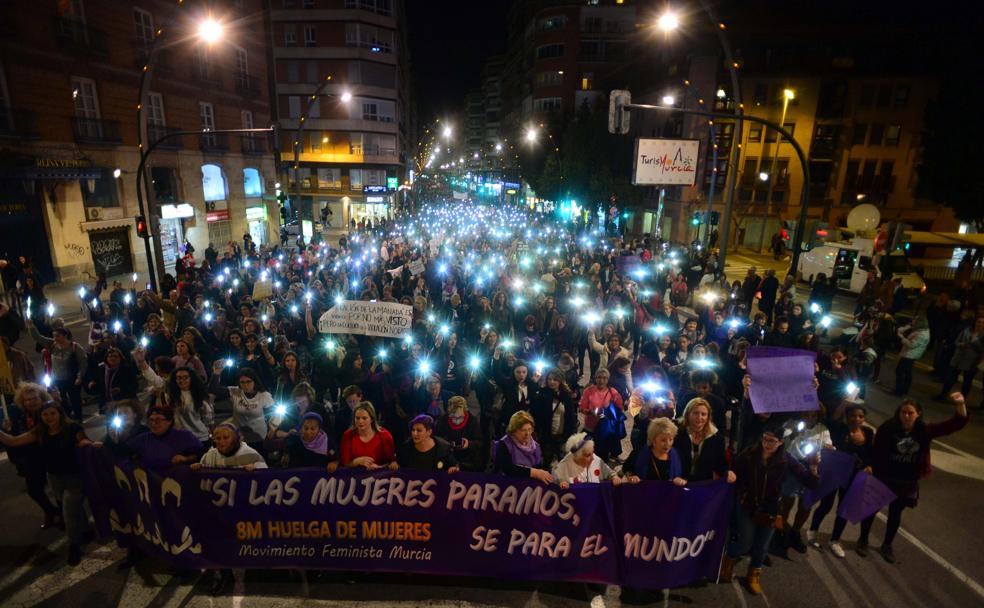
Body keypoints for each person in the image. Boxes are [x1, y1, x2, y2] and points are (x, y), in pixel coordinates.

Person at [719, 423, 819, 595]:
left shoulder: (786, 460)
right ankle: (728, 562)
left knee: (762, 545)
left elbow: (810, 482)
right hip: (747, 505)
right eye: (765, 438)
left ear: (780, 442)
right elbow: (733, 470)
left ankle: (754, 575)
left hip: (771, 509)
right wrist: (731, 475)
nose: (767, 443)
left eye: (772, 441)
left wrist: (813, 467)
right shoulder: (749, 454)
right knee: (745, 542)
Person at [868, 393, 969, 563]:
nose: (906, 416)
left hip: (907, 480)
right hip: (886, 477)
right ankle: (863, 540)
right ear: (898, 413)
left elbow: (955, 424)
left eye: (910, 413)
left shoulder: (924, 430)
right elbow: (876, 452)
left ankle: (887, 545)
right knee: (871, 509)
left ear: (918, 414)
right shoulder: (888, 428)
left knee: (895, 513)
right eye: (903, 412)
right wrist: (873, 470)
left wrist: (960, 404)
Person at [0, 400, 94, 565]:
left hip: (74, 478)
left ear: (60, 413)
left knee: (67, 512)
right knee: (73, 508)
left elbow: (84, 442)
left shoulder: (72, 428)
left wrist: (86, 444)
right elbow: (13, 441)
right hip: (54, 478)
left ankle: (73, 547)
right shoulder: (40, 432)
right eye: (45, 414)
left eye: (53, 413)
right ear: (41, 416)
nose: (49, 417)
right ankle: (86, 531)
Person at [806, 403, 874, 557]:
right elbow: (830, 420)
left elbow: (870, 452)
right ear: (846, 416)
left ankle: (835, 540)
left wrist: (869, 465)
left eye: (861, 416)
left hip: (854, 477)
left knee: (844, 509)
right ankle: (813, 531)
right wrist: (844, 402)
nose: (856, 419)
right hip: (835, 474)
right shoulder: (839, 429)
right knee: (826, 505)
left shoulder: (868, 433)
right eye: (853, 416)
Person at [3, 383, 61, 528]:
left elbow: (15, 441)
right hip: (32, 458)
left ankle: (65, 515)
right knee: (34, 490)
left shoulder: (49, 412)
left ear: (41, 398)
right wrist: (8, 429)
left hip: (52, 455)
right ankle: (51, 511)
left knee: (59, 489)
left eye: (34, 398)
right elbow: (15, 437)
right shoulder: (22, 415)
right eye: (26, 400)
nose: (30, 402)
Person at [25, 321, 87, 421]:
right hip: (58, 380)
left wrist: (80, 377)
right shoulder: (52, 345)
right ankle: (66, 419)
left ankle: (78, 420)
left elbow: (83, 363)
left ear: (65, 336)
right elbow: (38, 338)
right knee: (61, 401)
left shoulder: (75, 348)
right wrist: (31, 326)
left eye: (58, 336)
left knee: (75, 400)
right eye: (54, 336)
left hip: (72, 380)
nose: (55, 338)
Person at [209, 363, 275, 447]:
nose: (245, 385)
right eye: (242, 382)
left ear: (254, 381)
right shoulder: (235, 392)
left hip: (259, 438)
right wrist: (216, 373)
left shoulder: (264, 395)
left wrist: (272, 430)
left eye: (248, 382)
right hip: (240, 438)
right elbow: (214, 390)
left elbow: (274, 415)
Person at [126, 406, 204, 472]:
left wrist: (186, 459)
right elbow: (124, 451)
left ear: (169, 421)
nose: (153, 424)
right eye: (151, 420)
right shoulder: (143, 439)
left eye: (158, 420)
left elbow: (202, 454)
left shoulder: (184, 436)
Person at [674, 398, 734, 483]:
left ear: (708, 417)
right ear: (687, 414)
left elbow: (720, 464)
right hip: (678, 483)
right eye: (695, 413)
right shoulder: (677, 433)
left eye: (703, 414)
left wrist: (728, 472)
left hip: (703, 485)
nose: (699, 417)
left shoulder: (717, 438)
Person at [578, 368, 625, 462]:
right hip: (590, 427)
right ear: (595, 378)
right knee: (587, 454)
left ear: (608, 379)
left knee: (602, 456)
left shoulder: (613, 392)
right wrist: (590, 412)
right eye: (599, 377)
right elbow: (581, 408)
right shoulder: (589, 391)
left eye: (604, 378)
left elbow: (620, 408)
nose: (601, 380)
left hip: (605, 429)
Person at [493, 410, 553, 483]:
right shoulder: (504, 444)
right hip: (507, 486)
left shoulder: (536, 446)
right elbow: (508, 469)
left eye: (530, 429)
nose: (527, 434)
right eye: (523, 430)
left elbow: (541, 468)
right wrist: (534, 472)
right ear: (513, 431)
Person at [266, 412, 340, 471]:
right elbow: (269, 446)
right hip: (295, 481)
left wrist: (334, 463)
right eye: (306, 428)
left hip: (319, 484)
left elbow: (335, 458)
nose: (308, 432)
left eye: (313, 428)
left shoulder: (327, 442)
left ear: (319, 429)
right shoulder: (294, 439)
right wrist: (272, 431)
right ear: (301, 428)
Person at [161, 367, 215, 446]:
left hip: (199, 437)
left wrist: (214, 436)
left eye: (185, 377)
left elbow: (209, 419)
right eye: (179, 378)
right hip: (179, 438)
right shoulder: (169, 396)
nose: (182, 380)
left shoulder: (199, 395)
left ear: (191, 379)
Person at [623, 418, 686, 485]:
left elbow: (685, 475)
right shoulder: (639, 452)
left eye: (671, 439)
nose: (668, 444)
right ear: (653, 440)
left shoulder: (678, 455)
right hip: (644, 493)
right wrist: (631, 477)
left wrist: (680, 480)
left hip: (671, 494)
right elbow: (626, 468)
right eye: (663, 440)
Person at [339, 402, 397, 470]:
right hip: (356, 477)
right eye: (357, 418)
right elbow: (344, 464)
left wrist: (379, 468)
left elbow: (392, 463)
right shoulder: (347, 436)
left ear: (372, 419)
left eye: (364, 418)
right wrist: (357, 462)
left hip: (380, 478)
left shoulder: (385, 435)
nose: (360, 421)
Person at [552, 432, 622, 488]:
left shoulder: (596, 459)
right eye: (588, 455)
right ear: (577, 457)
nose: (593, 458)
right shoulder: (562, 467)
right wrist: (561, 484)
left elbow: (610, 473)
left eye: (592, 452)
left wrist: (615, 477)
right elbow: (555, 486)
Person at [434, 395, 484, 472]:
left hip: (468, 461)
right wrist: (447, 443)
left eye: (460, 417)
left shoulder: (472, 421)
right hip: (448, 459)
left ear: (465, 412)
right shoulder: (443, 420)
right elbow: (437, 438)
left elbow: (480, 442)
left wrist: (469, 444)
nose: (457, 421)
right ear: (449, 413)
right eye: (453, 417)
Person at [895, 316, 930, 396]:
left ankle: (899, 391)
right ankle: (903, 390)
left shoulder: (922, 334)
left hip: (910, 355)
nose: (912, 322)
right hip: (910, 354)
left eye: (915, 321)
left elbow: (911, 345)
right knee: (907, 372)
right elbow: (906, 327)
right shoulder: (921, 329)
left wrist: (902, 337)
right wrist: (906, 327)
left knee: (900, 372)